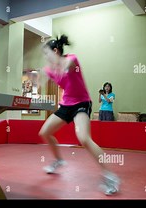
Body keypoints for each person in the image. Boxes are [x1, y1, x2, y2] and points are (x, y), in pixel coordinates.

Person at [39, 35, 120, 195]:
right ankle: (58, 160)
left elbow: (68, 66)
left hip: (81, 103)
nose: (46, 58)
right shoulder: (50, 69)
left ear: (56, 51)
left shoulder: (72, 59)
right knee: (44, 132)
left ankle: (110, 176)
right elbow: (44, 78)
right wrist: (42, 75)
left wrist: (56, 67)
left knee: (83, 138)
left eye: (47, 54)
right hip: (65, 105)